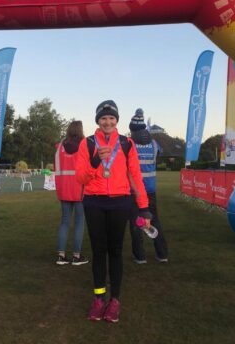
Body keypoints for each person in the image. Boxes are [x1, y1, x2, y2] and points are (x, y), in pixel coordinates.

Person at [76, 100, 151, 323]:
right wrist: (95, 160)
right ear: (98, 120)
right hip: (94, 203)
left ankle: (115, 301)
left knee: (116, 251)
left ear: (116, 120)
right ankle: (99, 299)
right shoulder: (87, 143)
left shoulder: (127, 144)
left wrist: (144, 207)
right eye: (103, 118)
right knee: (99, 251)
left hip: (120, 203)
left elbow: (136, 177)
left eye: (111, 118)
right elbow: (81, 178)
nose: (107, 122)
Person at [128, 108, 168, 264]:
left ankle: (140, 256)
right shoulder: (153, 143)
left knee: (136, 222)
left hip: (134, 190)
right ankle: (162, 254)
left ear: (132, 129)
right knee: (155, 220)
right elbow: (158, 155)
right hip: (150, 189)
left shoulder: (130, 144)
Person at [54, 121, 89, 266]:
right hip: (80, 190)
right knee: (80, 222)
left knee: (65, 222)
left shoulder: (60, 147)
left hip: (64, 189)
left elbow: (56, 168)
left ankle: (61, 256)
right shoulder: (84, 145)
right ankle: (76, 256)